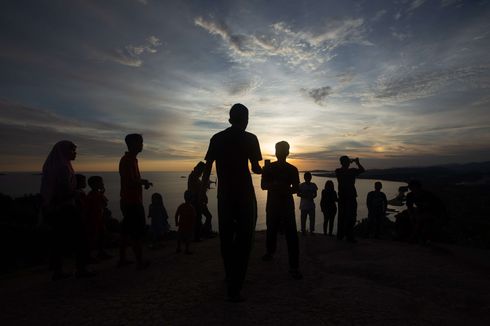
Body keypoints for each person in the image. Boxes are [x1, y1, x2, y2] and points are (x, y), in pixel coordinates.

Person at [202, 103, 262, 302]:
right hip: (244, 195)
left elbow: (208, 166)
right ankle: (236, 287)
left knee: (226, 238)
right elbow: (255, 168)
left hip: (224, 195)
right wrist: (264, 171)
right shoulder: (250, 138)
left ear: (229, 119)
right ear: (246, 119)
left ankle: (230, 276)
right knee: (245, 240)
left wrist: (203, 189)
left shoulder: (217, 138)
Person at [40, 141, 93, 280]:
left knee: (58, 240)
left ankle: (58, 271)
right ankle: (81, 268)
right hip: (65, 208)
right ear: (64, 151)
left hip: (54, 209)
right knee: (81, 237)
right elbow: (63, 192)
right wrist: (76, 193)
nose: (75, 153)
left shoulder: (53, 166)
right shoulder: (63, 168)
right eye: (73, 150)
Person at [261, 141, 302, 280]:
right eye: (279, 149)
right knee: (271, 229)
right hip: (274, 204)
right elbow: (263, 185)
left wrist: (283, 189)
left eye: (281, 149)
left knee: (291, 234)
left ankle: (294, 266)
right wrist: (276, 185)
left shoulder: (292, 169)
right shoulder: (269, 168)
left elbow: (296, 188)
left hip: (284, 205)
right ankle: (270, 252)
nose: (280, 152)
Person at [118, 133, 152, 269]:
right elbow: (130, 182)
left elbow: (132, 180)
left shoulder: (132, 160)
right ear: (132, 144)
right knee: (136, 232)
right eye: (140, 142)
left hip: (130, 200)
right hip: (132, 201)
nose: (142, 145)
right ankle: (139, 262)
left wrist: (142, 181)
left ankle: (123, 259)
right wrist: (143, 183)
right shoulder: (128, 160)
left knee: (126, 232)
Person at [335, 156, 365, 242]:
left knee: (342, 217)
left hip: (342, 197)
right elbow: (362, 170)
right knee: (351, 217)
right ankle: (349, 236)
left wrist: (350, 161)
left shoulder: (338, 171)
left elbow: (345, 168)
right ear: (347, 162)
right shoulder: (352, 171)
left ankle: (340, 235)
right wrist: (357, 162)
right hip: (351, 197)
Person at [85, 176, 111, 260]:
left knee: (101, 235)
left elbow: (104, 203)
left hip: (99, 219)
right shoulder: (92, 195)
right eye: (101, 182)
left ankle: (101, 252)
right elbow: (103, 204)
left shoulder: (95, 194)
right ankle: (88, 255)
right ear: (94, 184)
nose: (102, 184)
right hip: (94, 219)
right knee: (92, 237)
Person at [188, 161, 205, 241]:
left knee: (198, 218)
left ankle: (197, 235)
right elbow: (196, 189)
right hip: (195, 200)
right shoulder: (193, 176)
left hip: (196, 200)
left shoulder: (194, 176)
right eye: (202, 171)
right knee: (197, 218)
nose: (202, 173)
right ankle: (196, 237)